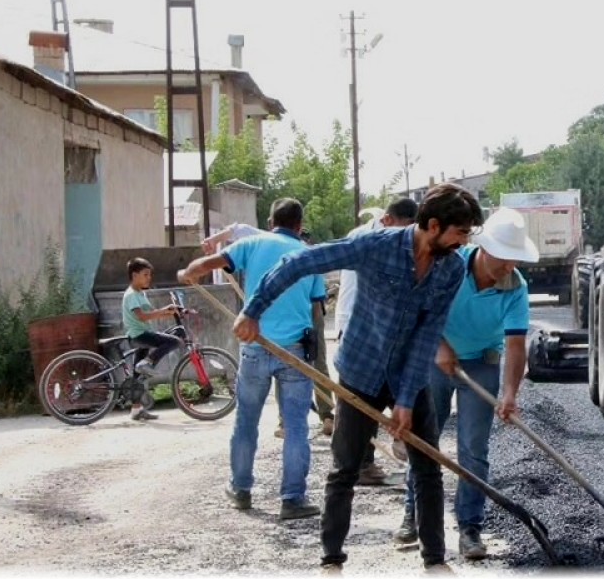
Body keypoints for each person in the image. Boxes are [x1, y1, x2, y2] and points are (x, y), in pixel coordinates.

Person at [230, 183, 483, 572]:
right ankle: (331, 559)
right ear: (433, 225)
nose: (464, 242)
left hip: (407, 377)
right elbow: (299, 263)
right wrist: (253, 310)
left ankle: (435, 561)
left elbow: (428, 333)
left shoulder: (451, 268)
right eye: (460, 232)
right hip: (360, 372)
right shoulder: (376, 246)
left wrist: (405, 398)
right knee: (345, 469)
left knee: (427, 468)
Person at [396, 207, 537, 560]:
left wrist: (509, 393)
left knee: (474, 449)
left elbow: (516, 344)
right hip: (435, 358)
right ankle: (413, 513)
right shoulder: (449, 266)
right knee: (425, 440)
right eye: (505, 259)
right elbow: (422, 312)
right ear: (485, 249)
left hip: (481, 363)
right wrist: (441, 346)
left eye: (515, 260)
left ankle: (470, 527)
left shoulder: (515, 287)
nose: (510, 267)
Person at [178, 198, 328, 521]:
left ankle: (241, 489)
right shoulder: (309, 255)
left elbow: (209, 263)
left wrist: (187, 272)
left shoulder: (252, 243)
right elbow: (317, 307)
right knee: (296, 426)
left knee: (246, 420)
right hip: (296, 351)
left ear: (271, 220)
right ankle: (292, 499)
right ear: (300, 226)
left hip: (255, 346)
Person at [202, 220, 337, 438]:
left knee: (285, 358)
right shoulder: (304, 249)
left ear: (272, 223)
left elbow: (237, 229)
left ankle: (296, 420)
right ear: (298, 227)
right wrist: (213, 241)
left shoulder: (263, 240)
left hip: (286, 308)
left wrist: (213, 241)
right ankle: (325, 416)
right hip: (302, 306)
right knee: (312, 360)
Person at [335, 197, 419, 487]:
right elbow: (354, 288)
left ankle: (403, 446)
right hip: (359, 331)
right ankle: (361, 465)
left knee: (402, 393)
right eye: (400, 230)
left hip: (391, 334)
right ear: (387, 220)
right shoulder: (363, 239)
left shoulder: (407, 242)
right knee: (358, 404)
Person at [122, 257, 184, 421]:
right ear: (134, 275)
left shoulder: (140, 293)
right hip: (139, 335)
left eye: (150, 275)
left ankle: (136, 410)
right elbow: (142, 317)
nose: (149, 278)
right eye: (145, 274)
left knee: (137, 375)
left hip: (141, 334)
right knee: (174, 341)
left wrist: (170, 310)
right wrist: (164, 310)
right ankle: (148, 362)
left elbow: (152, 313)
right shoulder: (132, 296)